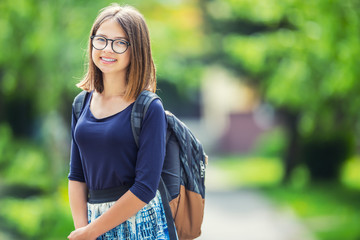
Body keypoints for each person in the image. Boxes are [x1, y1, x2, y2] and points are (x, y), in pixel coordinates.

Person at [67, 4, 171, 240]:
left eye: (120, 42)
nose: (107, 49)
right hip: (92, 224)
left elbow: (145, 188)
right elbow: (76, 175)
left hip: (139, 224)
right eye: (101, 39)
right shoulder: (80, 104)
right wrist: (83, 231)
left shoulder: (148, 107)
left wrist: (91, 231)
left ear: (137, 50)